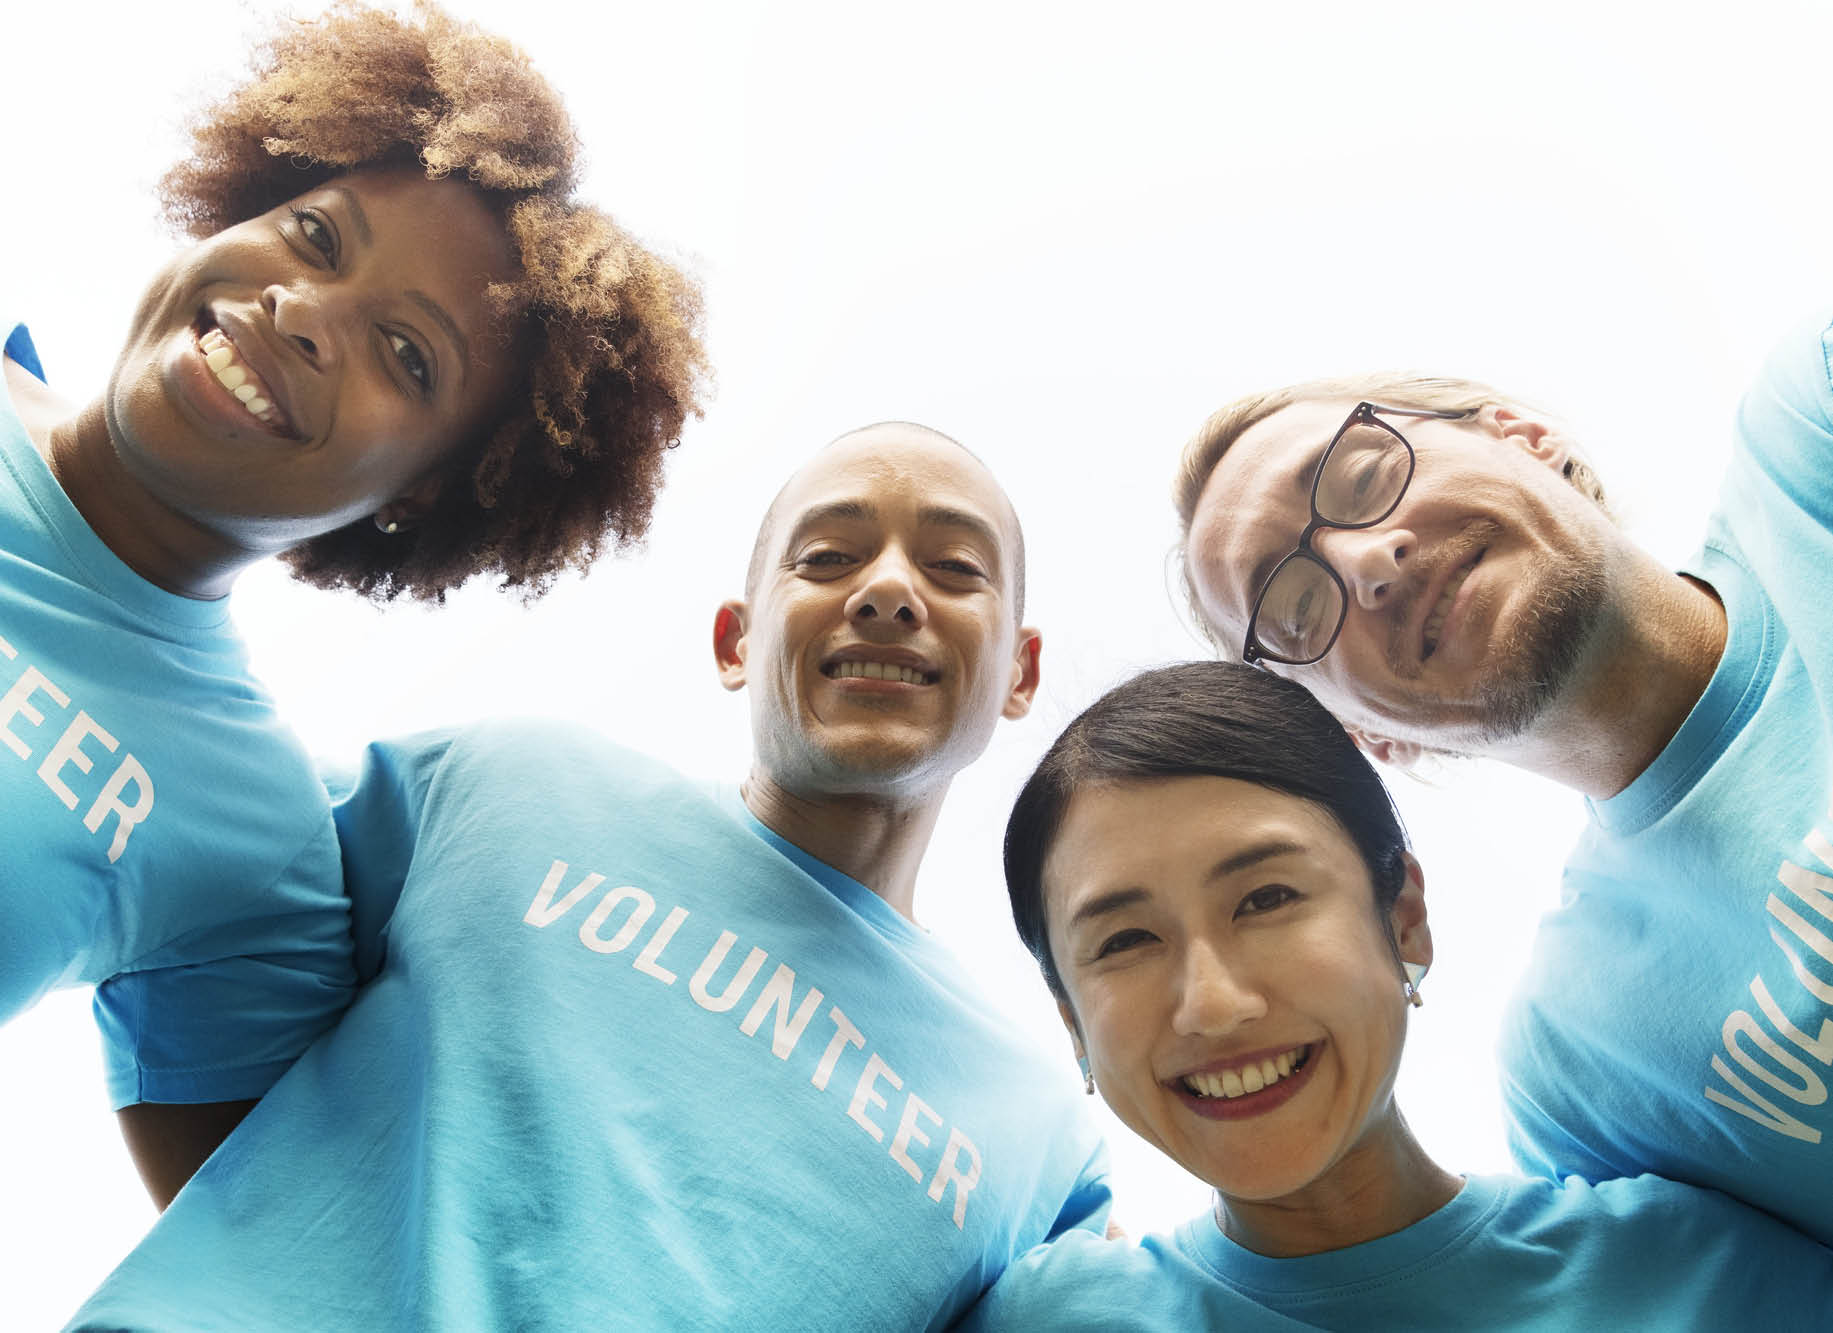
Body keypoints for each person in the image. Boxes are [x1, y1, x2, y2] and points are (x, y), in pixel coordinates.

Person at [66, 422, 1110, 1330]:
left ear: (1019, 672)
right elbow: (193, 867)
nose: (887, 591)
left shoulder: (1042, 1135)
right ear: (735, 641)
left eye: (956, 569)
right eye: (830, 556)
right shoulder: (505, 784)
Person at [2, 0, 706, 1207]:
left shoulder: (250, 845)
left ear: (423, 494)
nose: (305, 313)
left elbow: (294, 1258)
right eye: (316, 237)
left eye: (408, 355)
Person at [1172, 345, 1833, 1247]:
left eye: (1363, 474)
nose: (1368, 563)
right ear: (1369, 736)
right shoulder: (1586, 1076)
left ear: (1523, 437)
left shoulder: (1811, 434)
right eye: (1294, 609)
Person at [967, 660, 1833, 1329]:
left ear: (1404, 917)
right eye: (1123, 941)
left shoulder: (1704, 1273)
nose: (1214, 1004)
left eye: (1266, 898)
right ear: (1071, 1023)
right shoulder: (1043, 1318)